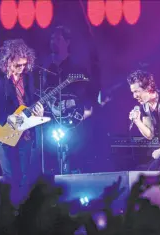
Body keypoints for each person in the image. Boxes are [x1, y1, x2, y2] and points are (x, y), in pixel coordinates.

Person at [40, 25, 98, 174]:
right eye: (52, 38)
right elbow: (40, 92)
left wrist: (85, 107)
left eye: (58, 38)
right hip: (50, 119)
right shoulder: (45, 67)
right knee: (50, 157)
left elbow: (89, 92)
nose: (53, 41)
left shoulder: (77, 67)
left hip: (73, 120)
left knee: (74, 157)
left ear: (67, 42)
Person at [0, 39, 44, 203]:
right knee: (10, 176)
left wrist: (39, 111)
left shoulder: (28, 77)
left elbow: (31, 99)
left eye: (24, 65)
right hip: (4, 131)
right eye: (17, 65)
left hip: (25, 131)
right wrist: (6, 119)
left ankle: (24, 213)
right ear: (7, 61)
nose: (21, 69)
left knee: (26, 176)